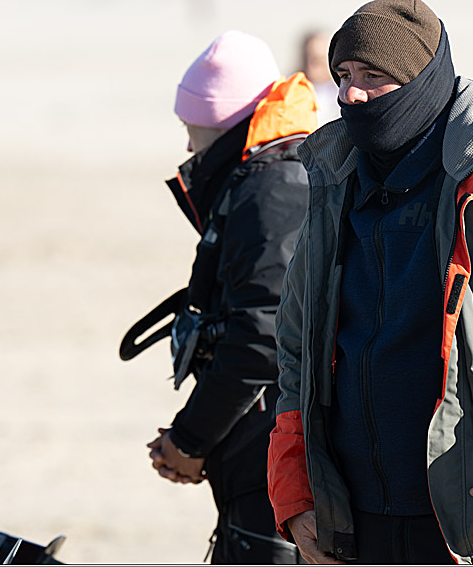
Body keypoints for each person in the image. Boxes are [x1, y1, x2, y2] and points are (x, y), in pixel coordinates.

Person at [266, 0, 473, 564]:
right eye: (343, 75)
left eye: (373, 76)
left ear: (422, 83)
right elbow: (297, 350)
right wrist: (294, 487)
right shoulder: (334, 187)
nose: (350, 94)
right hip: (355, 526)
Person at [145, 30, 317, 564]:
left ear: (219, 121)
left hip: (273, 440)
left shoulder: (274, 186)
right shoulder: (268, 174)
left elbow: (260, 340)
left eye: (189, 127)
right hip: (258, 435)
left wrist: (190, 440)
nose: (188, 146)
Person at [300, 30, 341, 126]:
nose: (311, 65)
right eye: (308, 58)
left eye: (319, 60)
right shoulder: (292, 93)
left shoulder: (345, 93)